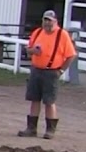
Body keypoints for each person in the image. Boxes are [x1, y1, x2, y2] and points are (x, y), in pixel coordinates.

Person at [17, 10, 77, 139]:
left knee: (49, 101)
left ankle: (50, 130)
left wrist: (61, 70)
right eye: (45, 20)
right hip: (36, 69)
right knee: (34, 99)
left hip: (51, 71)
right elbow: (28, 50)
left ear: (55, 21)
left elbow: (71, 55)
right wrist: (32, 51)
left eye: (49, 20)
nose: (47, 23)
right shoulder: (37, 32)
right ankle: (31, 128)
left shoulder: (62, 35)